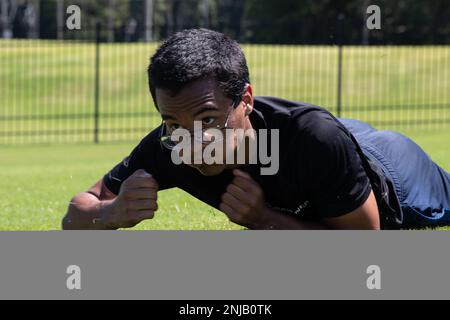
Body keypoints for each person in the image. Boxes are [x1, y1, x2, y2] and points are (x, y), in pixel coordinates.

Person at [62, 28, 450, 230]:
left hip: (392, 171)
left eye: (209, 121)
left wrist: (264, 219)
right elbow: (75, 214)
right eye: (173, 123)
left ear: (245, 99)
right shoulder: (171, 143)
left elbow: (364, 246)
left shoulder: (312, 139)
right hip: (337, 143)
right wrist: (110, 212)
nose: (193, 145)